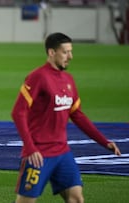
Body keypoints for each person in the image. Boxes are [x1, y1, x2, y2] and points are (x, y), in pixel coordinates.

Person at [11, 32, 121, 202]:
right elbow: (18, 112)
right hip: (38, 155)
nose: (70, 56)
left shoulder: (68, 79)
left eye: (71, 51)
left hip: (62, 153)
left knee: (76, 198)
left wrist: (103, 141)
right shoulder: (38, 77)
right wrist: (31, 148)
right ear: (51, 52)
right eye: (65, 52)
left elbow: (77, 115)